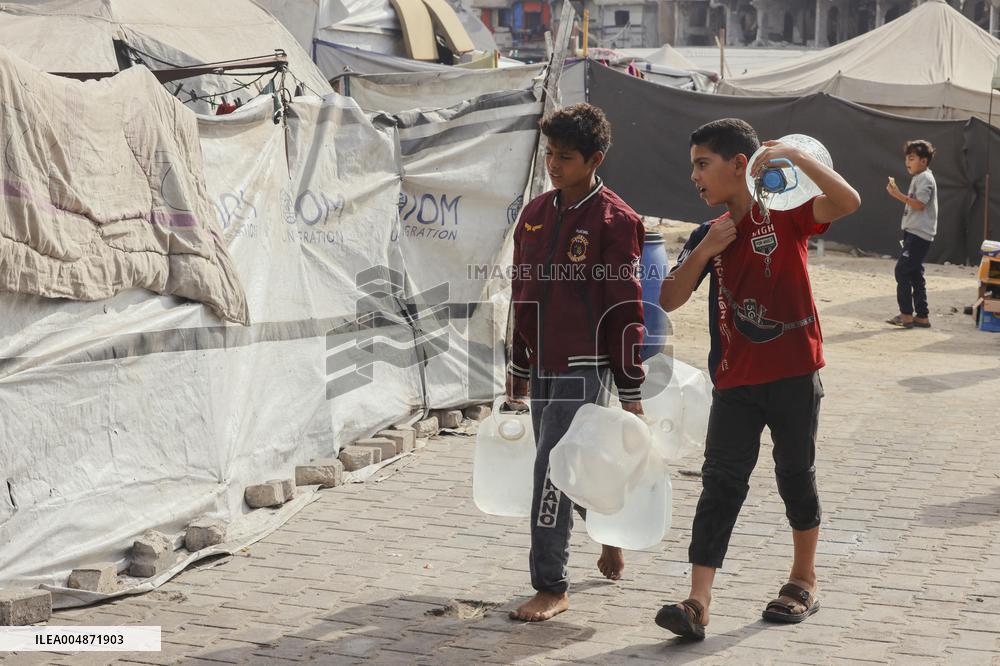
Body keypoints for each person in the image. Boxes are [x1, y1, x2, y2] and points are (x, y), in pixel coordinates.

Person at [654, 119, 860, 640]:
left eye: (703, 164)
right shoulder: (708, 233)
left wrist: (795, 156)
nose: (695, 177)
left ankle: (803, 579)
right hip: (735, 381)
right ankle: (698, 601)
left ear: (739, 165)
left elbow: (849, 201)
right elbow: (667, 298)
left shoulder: (787, 215)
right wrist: (704, 250)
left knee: (795, 474)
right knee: (720, 484)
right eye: (692, 166)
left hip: (794, 374)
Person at [506, 103, 646, 622]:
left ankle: (551, 585)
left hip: (585, 366)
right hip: (541, 360)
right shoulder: (536, 214)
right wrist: (518, 367)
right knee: (573, 464)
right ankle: (610, 534)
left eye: (565, 156)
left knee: (550, 470)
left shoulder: (616, 220)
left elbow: (626, 309)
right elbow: (521, 294)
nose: (553, 164)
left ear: (595, 159)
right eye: (549, 154)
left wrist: (631, 391)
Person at [886, 140, 937, 329]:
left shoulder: (925, 179)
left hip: (919, 235)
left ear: (923, 161)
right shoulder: (920, 177)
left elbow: (920, 204)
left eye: (912, 158)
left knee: (902, 270)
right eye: (907, 158)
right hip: (915, 233)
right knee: (915, 273)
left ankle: (906, 315)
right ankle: (922, 316)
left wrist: (897, 194)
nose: (908, 161)